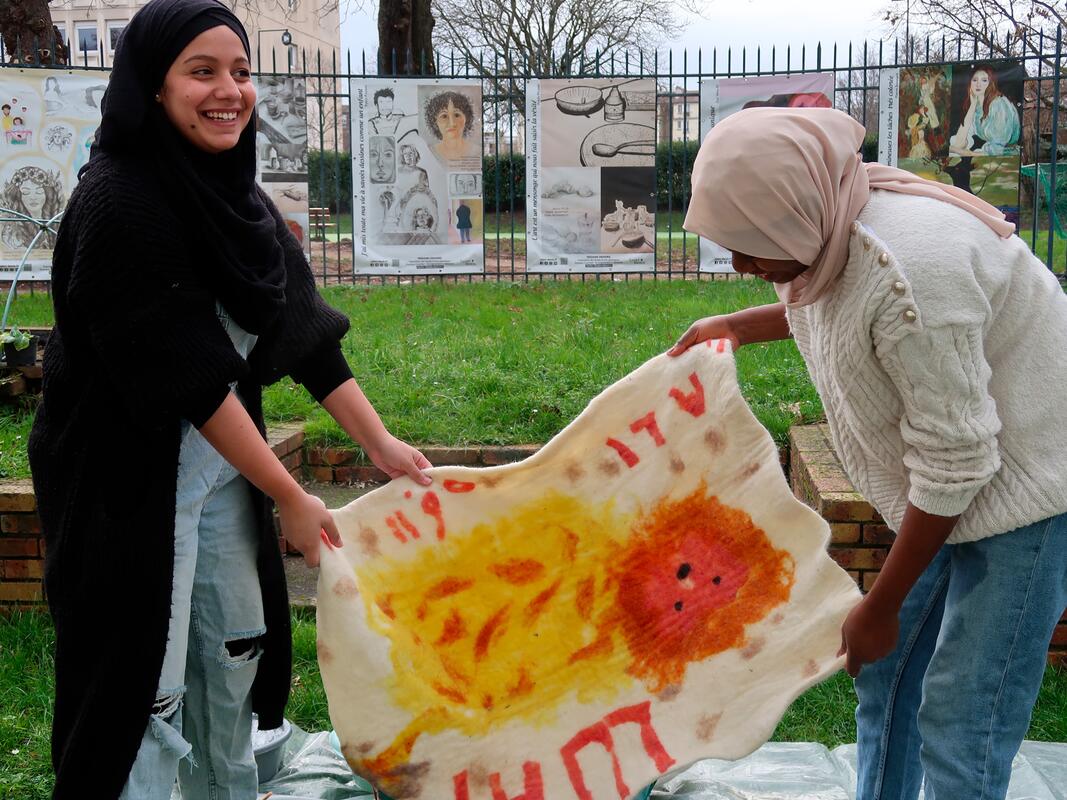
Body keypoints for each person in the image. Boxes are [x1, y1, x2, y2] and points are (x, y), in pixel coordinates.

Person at [27, 1, 432, 798]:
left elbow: (307, 338)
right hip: (125, 486)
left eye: (240, 72)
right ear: (150, 86)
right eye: (202, 71)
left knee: (230, 651)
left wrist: (379, 446)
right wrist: (289, 494)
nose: (230, 91)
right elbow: (191, 374)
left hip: (215, 474)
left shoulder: (244, 207)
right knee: (142, 673)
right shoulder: (118, 204)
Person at [669, 106, 1067, 800]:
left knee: (962, 713)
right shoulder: (826, 223)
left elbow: (957, 460)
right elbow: (843, 307)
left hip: (1029, 483)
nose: (739, 264)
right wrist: (736, 325)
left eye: (750, 246)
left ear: (797, 211)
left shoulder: (915, 268)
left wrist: (879, 605)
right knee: (884, 671)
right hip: (948, 482)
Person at [948, 65, 1020, 158]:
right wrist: (972, 106)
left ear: (991, 83)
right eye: (975, 80)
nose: (978, 84)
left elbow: (997, 149)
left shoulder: (999, 104)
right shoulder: (977, 106)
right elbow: (959, 143)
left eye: (984, 80)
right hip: (987, 154)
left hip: (1006, 155)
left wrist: (969, 153)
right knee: (953, 154)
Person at [0, 165, 64, 249]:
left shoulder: (58, 223)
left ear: (47, 194)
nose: (33, 197)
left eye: (39, 192)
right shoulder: (11, 230)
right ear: (18, 196)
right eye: (26, 192)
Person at [424, 90, 478, 161]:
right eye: (444, 116)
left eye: (457, 115)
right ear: (434, 122)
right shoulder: (429, 153)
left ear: (467, 119)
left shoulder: (477, 151)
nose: (452, 123)